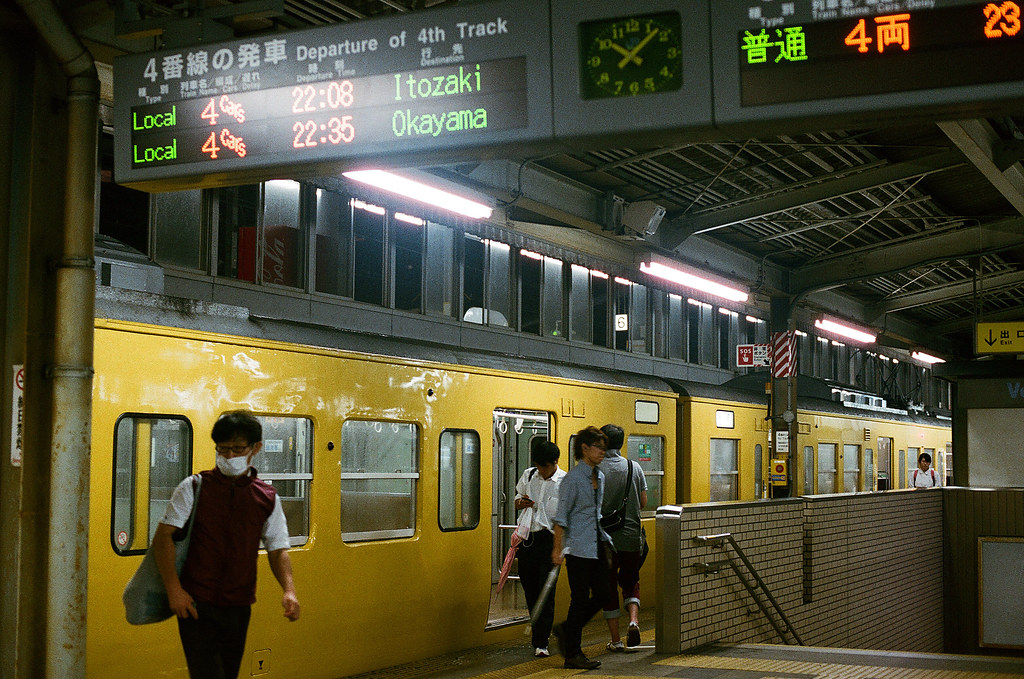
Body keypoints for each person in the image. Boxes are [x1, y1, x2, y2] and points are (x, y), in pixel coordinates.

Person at [153, 411, 301, 679]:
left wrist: (289, 590)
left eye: (237, 449)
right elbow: (163, 538)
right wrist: (174, 590)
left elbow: (278, 549)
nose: (229, 456)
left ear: (256, 448)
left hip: (238, 604)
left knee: (227, 673)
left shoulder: (266, 497)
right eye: (222, 449)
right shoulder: (193, 488)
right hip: (196, 603)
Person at [551, 426, 613, 670]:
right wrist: (557, 550)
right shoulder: (572, 480)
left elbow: (596, 514)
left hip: (598, 544)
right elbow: (561, 518)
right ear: (584, 448)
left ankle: (565, 630)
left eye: (604, 448)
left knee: (603, 595)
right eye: (598, 448)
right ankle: (573, 654)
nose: (602, 453)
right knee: (579, 599)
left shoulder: (602, 477)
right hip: (578, 548)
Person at [513, 439, 566, 657]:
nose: (541, 471)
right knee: (530, 588)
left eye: (545, 467)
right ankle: (539, 634)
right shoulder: (528, 475)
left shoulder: (565, 482)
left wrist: (558, 549)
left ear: (555, 462)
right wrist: (521, 502)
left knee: (547, 591)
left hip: (550, 540)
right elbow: (517, 498)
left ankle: (541, 641)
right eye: (539, 466)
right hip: (529, 538)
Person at [598, 424, 648, 652]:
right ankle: (634, 621)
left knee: (607, 588)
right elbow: (644, 502)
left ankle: (616, 639)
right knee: (630, 583)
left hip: (604, 540)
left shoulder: (594, 468)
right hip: (630, 539)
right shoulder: (633, 467)